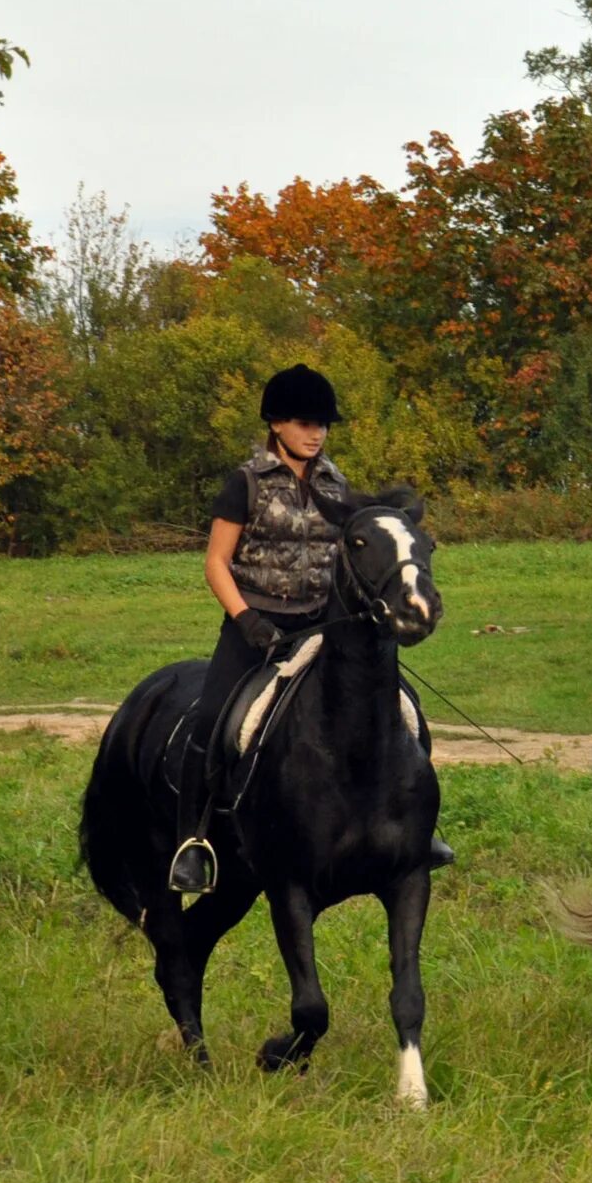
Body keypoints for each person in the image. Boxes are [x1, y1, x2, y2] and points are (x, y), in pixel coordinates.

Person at [172, 363, 452, 893]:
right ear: (276, 424)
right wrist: (247, 619)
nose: (315, 432)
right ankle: (195, 842)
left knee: (405, 708)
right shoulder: (247, 482)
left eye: (322, 423)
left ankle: (422, 829)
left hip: (325, 624)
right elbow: (215, 562)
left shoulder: (335, 482)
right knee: (211, 719)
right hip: (255, 621)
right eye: (304, 422)